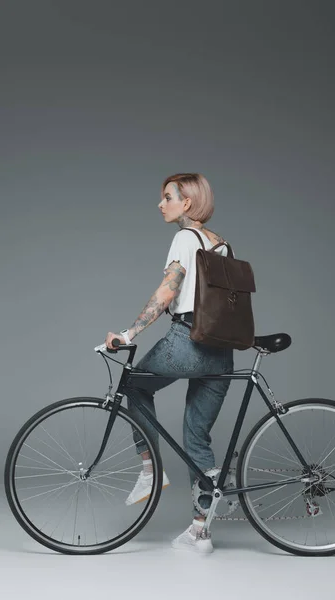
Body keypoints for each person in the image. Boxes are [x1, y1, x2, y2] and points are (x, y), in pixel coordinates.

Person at [104, 173, 233, 554]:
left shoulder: (184, 238)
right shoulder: (221, 245)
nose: (161, 204)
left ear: (187, 203)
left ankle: (149, 470)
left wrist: (128, 334)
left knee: (133, 385)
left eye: (167, 197)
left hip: (188, 341)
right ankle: (200, 532)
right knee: (197, 437)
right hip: (221, 350)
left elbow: (167, 291)